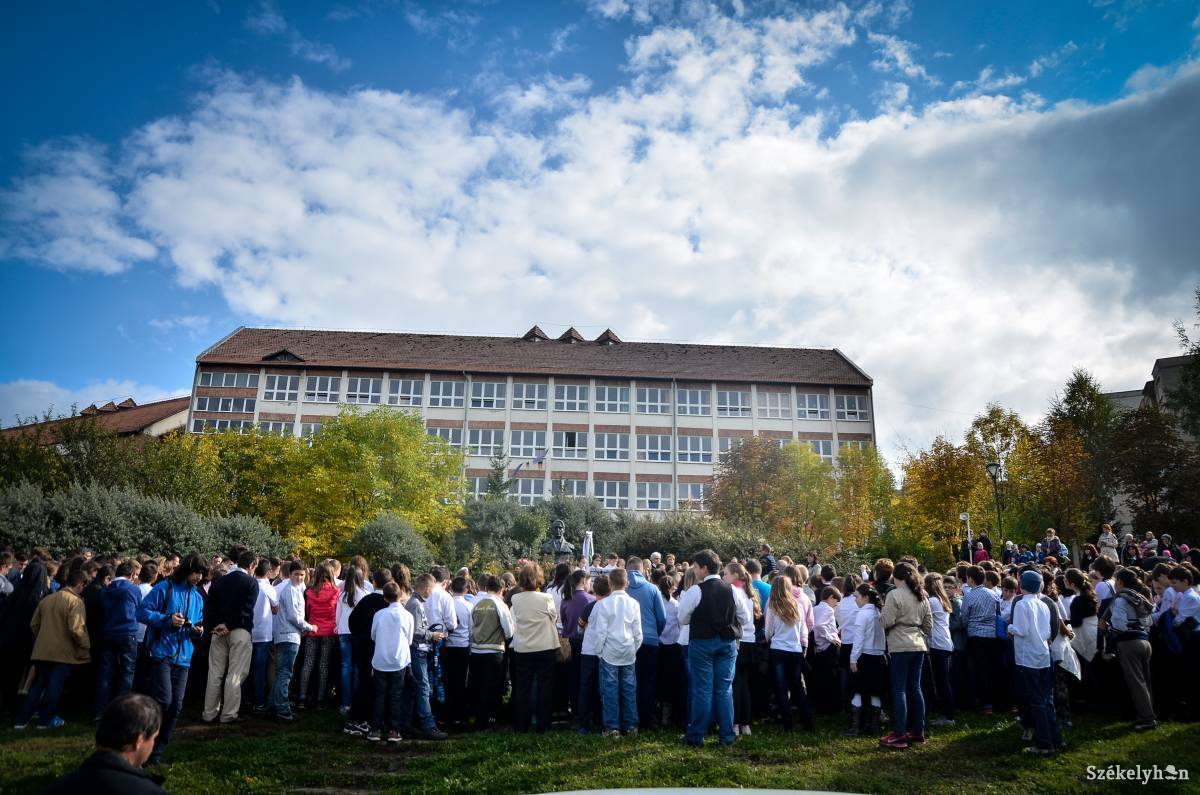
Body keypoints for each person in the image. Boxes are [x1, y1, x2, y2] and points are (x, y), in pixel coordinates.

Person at [136, 553, 206, 764]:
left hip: (184, 657)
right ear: (186, 570)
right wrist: (167, 619)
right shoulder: (164, 588)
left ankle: (157, 752)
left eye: (202, 573)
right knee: (163, 701)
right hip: (162, 653)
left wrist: (198, 631)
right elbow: (141, 612)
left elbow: (200, 624)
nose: (199, 577)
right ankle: (144, 743)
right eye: (196, 572)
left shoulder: (197, 597)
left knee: (175, 706)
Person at [14, 568, 91, 730]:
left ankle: (21, 720)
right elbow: (77, 629)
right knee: (55, 686)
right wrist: (85, 646)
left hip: (42, 650)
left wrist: (42, 638)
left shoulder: (47, 599)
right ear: (80, 584)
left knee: (39, 685)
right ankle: (45, 720)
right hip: (62, 652)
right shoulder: (76, 602)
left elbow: (34, 624)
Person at [45, 694, 166, 795]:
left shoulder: (55, 788)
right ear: (139, 740)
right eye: (154, 738)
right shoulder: (149, 792)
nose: (153, 745)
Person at [677, 549, 739, 747]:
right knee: (724, 690)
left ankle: (696, 736)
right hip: (727, 642)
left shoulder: (696, 590)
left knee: (702, 690)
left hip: (702, 642)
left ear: (704, 568)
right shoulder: (732, 589)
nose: (694, 571)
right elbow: (745, 617)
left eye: (695, 567)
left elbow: (683, 618)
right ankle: (727, 736)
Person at [1009, 570, 1062, 753]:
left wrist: (1010, 626)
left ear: (1021, 585)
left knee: (1037, 701)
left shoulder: (1022, 605)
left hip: (1027, 657)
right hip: (1043, 654)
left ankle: (1044, 743)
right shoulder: (1043, 604)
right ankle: (1055, 738)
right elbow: (1047, 632)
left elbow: (1021, 630)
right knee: (1046, 699)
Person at [202, 549, 258, 723]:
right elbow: (246, 610)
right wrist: (230, 625)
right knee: (234, 675)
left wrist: (216, 625)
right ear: (251, 566)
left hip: (218, 631)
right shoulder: (251, 582)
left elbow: (209, 607)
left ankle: (209, 713)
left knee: (215, 673)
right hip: (239, 631)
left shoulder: (220, 581)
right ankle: (228, 714)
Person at [880, 561, 932, 749]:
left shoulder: (894, 594)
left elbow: (886, 621)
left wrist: (883, 617)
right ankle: (918, 730)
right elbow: (928, 625)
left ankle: (900, 733)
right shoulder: (922, 595)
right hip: (918, 644)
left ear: (896, 577)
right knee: (915, 688)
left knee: (899, 689)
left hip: (900, 644)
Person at [589, 567, 643, 737]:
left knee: (609, 690)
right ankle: (631, 726)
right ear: (626, 583)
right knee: (628, 689)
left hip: (609, 651)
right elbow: (638, 632)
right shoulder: (634, 603)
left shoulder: (604, 604)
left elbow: (600, 633)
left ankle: (612, 727)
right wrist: (634, 648)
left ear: (610, 584)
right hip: (627, 650)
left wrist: (599, 652)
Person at [343, 568, 393, 737]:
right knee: (374, 686)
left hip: (363, 648)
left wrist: (360, 638)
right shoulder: (388, 605)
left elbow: (352, 621)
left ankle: (359, 718)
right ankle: (365, 719)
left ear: (375, 582)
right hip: (380, 650)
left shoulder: (366, 600)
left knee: (363, 682)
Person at [510, 563, 558, 733]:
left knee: (522, 687)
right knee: (546, 687)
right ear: (539, 579)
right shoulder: (546, 598)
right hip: (545, 646)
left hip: (523, 647)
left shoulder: (515, 599)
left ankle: (521, 725)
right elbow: (554, 617)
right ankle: (543, 724)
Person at [401, 574, 449, 740]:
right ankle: (428, 725)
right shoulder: (415, 604)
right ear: (427, 588)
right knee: (423, 687)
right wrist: (432, 635)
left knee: (412, 688)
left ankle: (406, 723)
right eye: (432, 588)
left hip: (418, 651)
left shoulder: (416, 603)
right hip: (417, 651)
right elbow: (414, 631)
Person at [1108, 569, 1157, 730]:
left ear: (1120, 582)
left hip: (1129, 642)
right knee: (1146, 680)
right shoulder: (1138, 596)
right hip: (1144, 640)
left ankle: (1147, 718)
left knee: (1136, 682)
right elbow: (1148, 621)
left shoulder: (1121, 599)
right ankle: (1149, 712)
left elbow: (1118, 623)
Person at [94, 559, 143, 720]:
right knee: (126, 673)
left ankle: (100, 711)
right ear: (130, 575)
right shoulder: (132, 589)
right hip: (127, 632)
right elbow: (138, 608)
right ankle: (122, 711)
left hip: (108, 632)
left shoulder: (106, 589)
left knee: (105, 672)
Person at [765, 575, 815, 731]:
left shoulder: (773, 607)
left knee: (781, 687)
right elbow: (803, 631)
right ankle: (807, 720)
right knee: (797, 687)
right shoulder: (797, 606)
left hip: (778, 649)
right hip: (795, 649)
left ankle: (787, 722)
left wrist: (769, 640)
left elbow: (768, 631)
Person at [270, 561, 316, 722]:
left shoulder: (298, 589)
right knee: (285, 673)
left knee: (282, 672)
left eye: (302, 574)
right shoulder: (289, 590)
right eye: (296, 574)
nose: (299, 577)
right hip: (287, 635)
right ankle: (282, 708)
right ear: (290, 574)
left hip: (291, 634)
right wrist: (310, 627)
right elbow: (292, 616)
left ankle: (274, 706)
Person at [624, 556, 666, 729]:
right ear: (643, 570)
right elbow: (662, 618)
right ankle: (646, 720)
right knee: (648, 681)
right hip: (650, 640)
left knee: (628, 681)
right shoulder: (652, 589)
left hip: (627, 640)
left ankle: (628, 719)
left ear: (627, 569)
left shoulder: (622, 589)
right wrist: (655, 633)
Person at [369, 581, 414, 744]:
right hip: (399, 659)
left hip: (380, 659)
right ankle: (394, 729)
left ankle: (376, 728)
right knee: (396, 695)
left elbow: (373, 635)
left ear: (385, 598)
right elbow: (409, 639)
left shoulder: (379, 615)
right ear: (401, 595)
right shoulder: (408, 616)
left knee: (379, 695)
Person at [469, 574, 514, 730]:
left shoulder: (476, 603)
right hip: (494, 650)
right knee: (493, 687)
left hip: (476, 650)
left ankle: (478, 718)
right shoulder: (500, 605)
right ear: (501, 589)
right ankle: (490, 718)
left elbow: (470, 628)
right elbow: (509, 631)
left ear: (486, 587)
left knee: (478, 686)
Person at [847, 583, 886, 737]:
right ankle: (875, 727)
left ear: (865, 597)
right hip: (879, 655)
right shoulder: (878, 612)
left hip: (865, 655)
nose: (855, 599)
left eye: (857, 596)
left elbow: (858, 639)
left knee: (857, 690)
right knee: (875, 692)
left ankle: (856, 727)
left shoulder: (863, 614)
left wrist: (853, 659)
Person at [298, 562, 338, 709]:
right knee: (324, 665)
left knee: (308, 663)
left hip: (313, 630)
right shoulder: (336, 591)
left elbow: (307, 611)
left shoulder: (310, 592)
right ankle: (321, 699)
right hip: (328, 632)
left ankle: (302, 696)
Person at [961, 565, 1000, 714]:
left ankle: (985, 704)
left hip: (975, 635)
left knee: (979, 670)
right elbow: (998, 613)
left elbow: (964, 617)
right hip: (991, 635)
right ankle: (996, 701)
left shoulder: (969, 596)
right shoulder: (993, 594)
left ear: (970, 579)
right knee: (992, 668)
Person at [724, 562, 758, 735]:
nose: (724, 578)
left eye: (726, 574)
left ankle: (736, 723)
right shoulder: (748, 591)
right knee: (744, 684)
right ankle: (746, 723)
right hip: (750, 641)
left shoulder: (734, 592)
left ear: (735, 576)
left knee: (735, 684)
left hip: (740, 640)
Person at [335, 564, 368, 717]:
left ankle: (345, 702)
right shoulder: (363, 595)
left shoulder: (342, 595)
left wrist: (339, 626)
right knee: (356, 667)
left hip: (343, 631)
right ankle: (355, 701)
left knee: (345, 667)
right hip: (357, 633)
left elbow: (337, 616)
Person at [250, 558, 280, 715]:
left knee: (246, 668)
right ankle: (259, 701)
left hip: (248, 631)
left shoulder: (250, 584)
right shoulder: (269, 588)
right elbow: (276, 609)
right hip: (263, 633)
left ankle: (245, 700)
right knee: (260, 669)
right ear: (268, 572)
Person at [924, 574, 955, 726]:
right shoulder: (943, 599)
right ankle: (946, 713)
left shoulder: (932, 601)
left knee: (943, 681)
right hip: (945, 641)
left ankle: (949, 716)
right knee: (944, 681)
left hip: (937, 643)